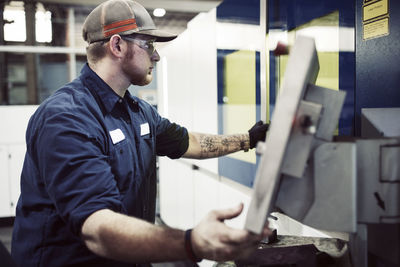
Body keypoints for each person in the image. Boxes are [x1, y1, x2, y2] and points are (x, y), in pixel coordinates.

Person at [11, 0, 271, 266]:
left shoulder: (138, 112)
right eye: (148, 45)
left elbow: (189, 142)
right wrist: (191, 243)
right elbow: (98, 228)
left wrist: (248, 139)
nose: (156, 56)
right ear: (117, 46)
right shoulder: (67, 117)